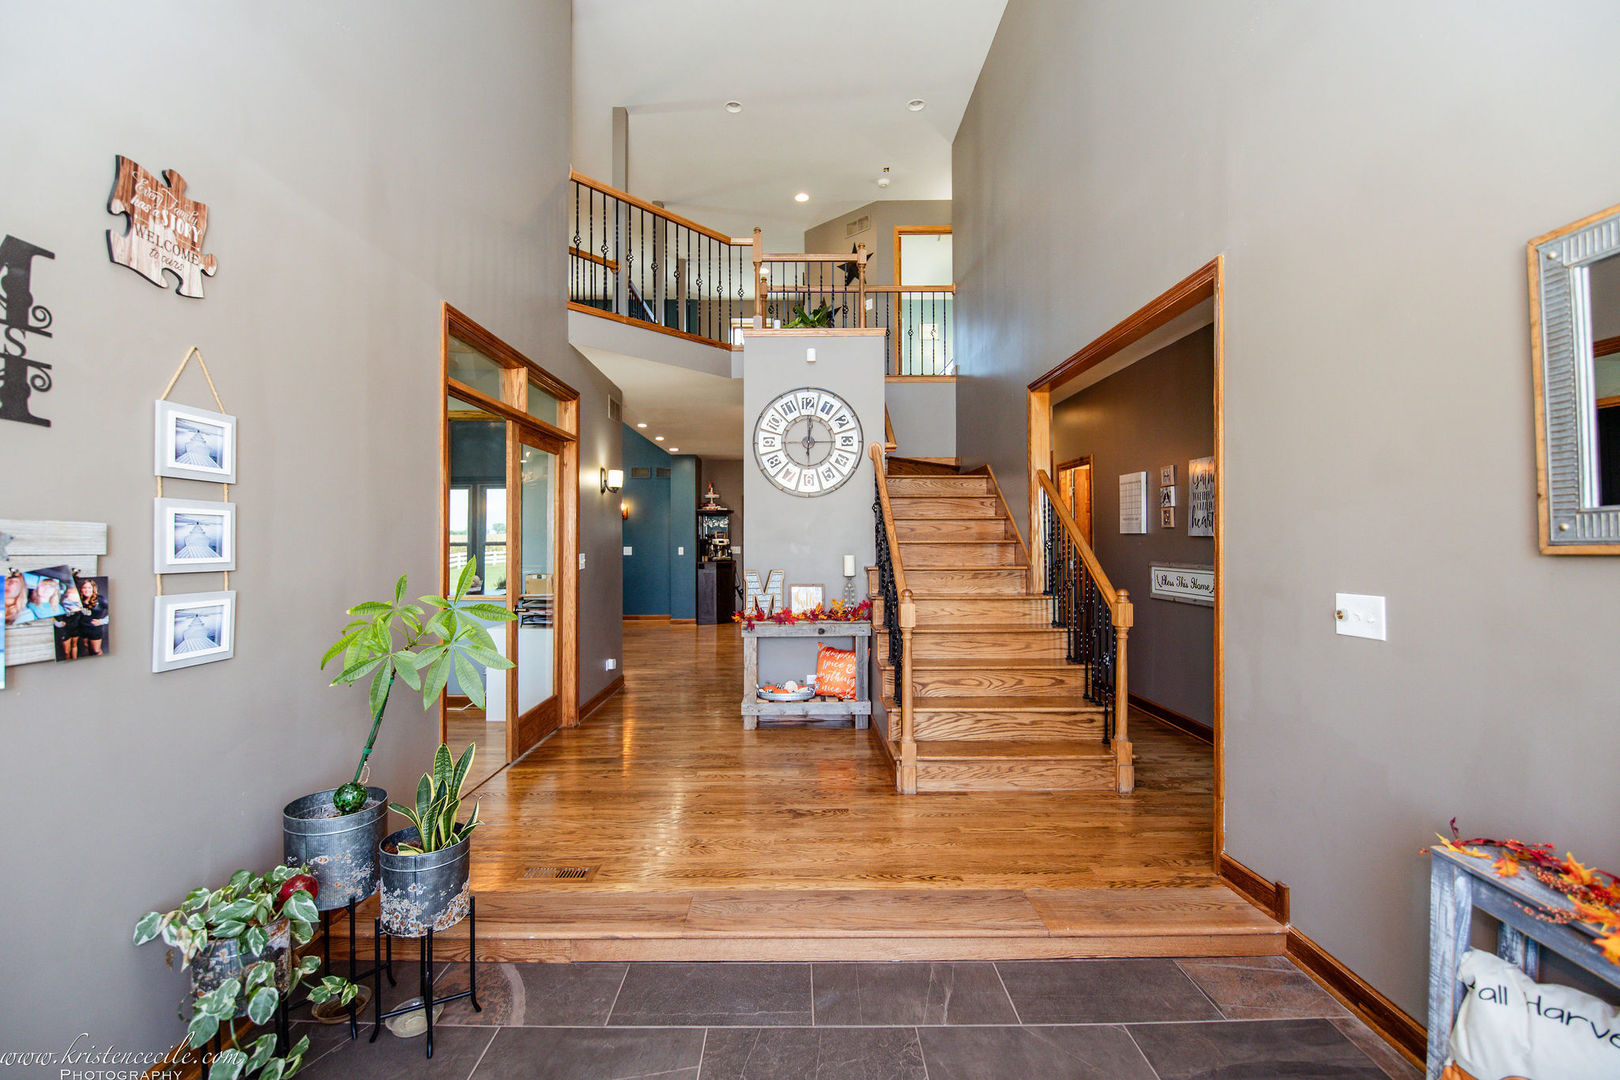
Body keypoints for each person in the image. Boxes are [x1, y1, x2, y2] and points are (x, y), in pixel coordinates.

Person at [76, 577, 107, 656]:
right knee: (86, 647)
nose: (87, 590)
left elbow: (115, 610)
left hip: (94, 629)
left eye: (89, 587)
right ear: (81, 589)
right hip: (83, 627)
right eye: (84, 587)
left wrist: (102, 621)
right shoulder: (79, 599)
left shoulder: (100, 599)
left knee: (96, 651)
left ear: (93, 589)